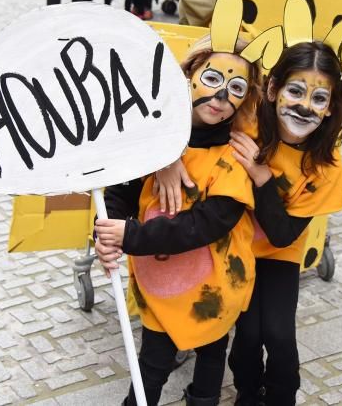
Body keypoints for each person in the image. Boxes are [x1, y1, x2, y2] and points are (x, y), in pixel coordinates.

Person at [95, 35, 262, 406]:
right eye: (213, 79)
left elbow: (207, 223)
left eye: (235, 87)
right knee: (152, 363)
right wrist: (108, 230)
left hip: (213, 288)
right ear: (189, 74)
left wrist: (131, 235)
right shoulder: (152, 142)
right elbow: (119, 192)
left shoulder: (233, 158)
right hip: (159, 285)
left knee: (212, 352)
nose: (220, 97)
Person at [226, 41, 342, 406]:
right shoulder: (246, 120)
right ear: (273, 88)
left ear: (330, 109)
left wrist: (261, 176)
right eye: (295, 91)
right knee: (247, 333)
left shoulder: (327, 166)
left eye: (318, 98)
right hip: (237, 245)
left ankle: (281, 396)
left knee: (278, 333)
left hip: (281, 249)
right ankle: (247, 393)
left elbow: (282, 235)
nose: (303, 105)